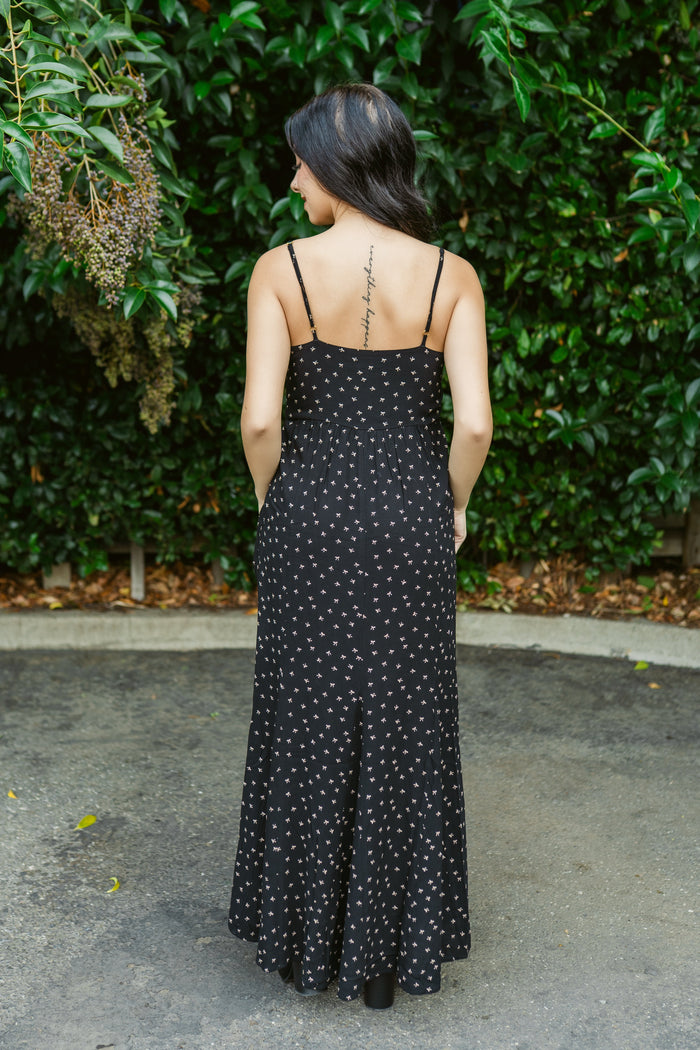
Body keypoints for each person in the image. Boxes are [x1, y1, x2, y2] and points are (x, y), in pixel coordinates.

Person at [227, 83, 492, 1009]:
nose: (294, 175)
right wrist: (449, 506)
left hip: (310, 513)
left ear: (339, 165)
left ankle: (305, 943)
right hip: (410, 516)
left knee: (307, 714)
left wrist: (277, 505)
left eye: (302, 159)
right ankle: (386, 958)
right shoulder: (453, 276)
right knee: (405, 724)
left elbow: (263, 422)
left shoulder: (280, 271)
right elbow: (474, 427)